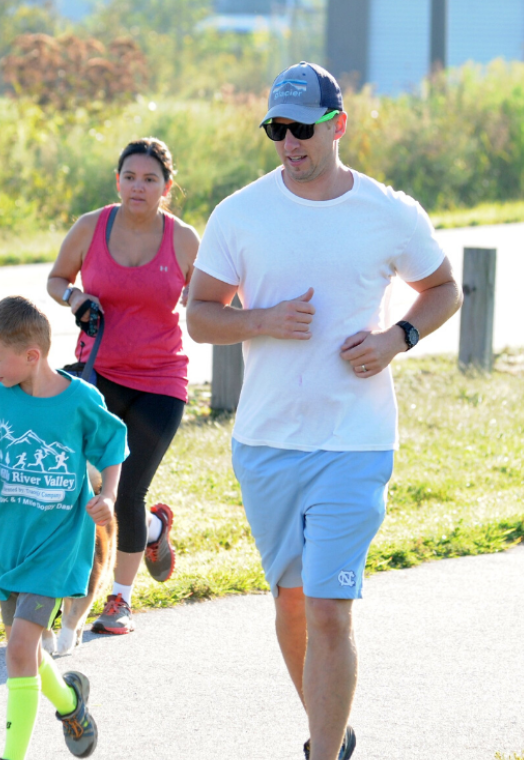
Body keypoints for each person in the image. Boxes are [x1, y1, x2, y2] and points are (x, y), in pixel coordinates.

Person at [185, 62, 462, 760]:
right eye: (276, 129)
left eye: (301, 128)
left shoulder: (387, 212)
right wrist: (264, 319)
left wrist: (397, 338)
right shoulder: (240, 213)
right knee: (292, 605)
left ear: (337, 126)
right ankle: (330, 735)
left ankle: (320, 752)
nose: (288, 142)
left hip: (355, 441)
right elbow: (200, 316)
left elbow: (444, 288)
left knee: (331, 609)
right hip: (268, 442)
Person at [0, 296, 128, 760]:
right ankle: (71, 705)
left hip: (58, 546)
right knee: (23, 649)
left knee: (20, 647)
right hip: (10, 543)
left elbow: (112, 446)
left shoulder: (82, 401)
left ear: (32, 356)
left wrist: (106, 496)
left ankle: (11, 756)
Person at [46, 137, 199, 635]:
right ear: (118, 180)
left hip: (161, 382)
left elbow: (213, 298)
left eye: (150, 179)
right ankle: (152, 531)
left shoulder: (183, 241)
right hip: (98, 375)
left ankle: (120, 599)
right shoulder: (92, 227)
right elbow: (55, 279)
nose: (139, 186)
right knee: (79, 484)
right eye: (130, 177)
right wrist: (75, 298)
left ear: (166, 187)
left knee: (128, 490)